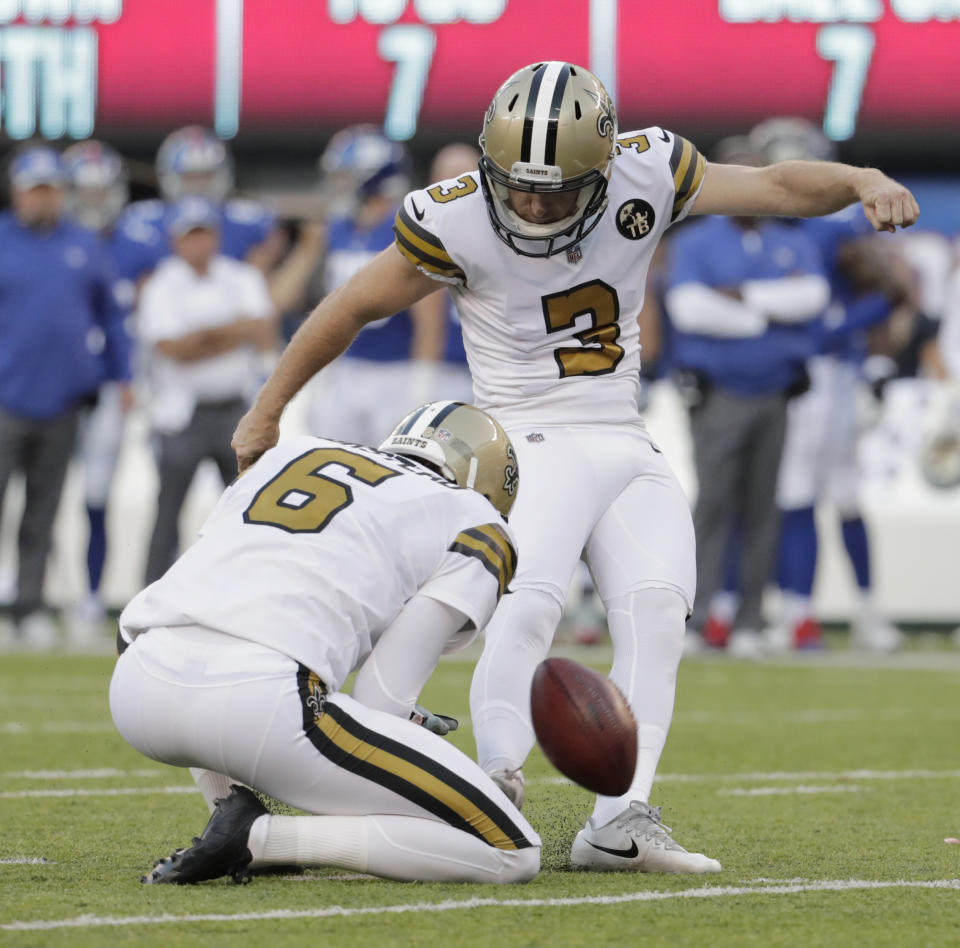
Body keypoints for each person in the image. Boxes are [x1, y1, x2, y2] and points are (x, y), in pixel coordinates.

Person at [231, 61, 919, 873]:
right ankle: (491, 785)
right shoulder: (453, 219)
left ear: (601, 172)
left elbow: (776, 185)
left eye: (554, 193)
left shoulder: (646, 169)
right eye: (517, 186)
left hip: (622, 432)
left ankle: (621, 821)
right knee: (527, 609)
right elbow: (351, 307)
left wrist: (862, 176)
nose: (529, 204)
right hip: (524, 435)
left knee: (660, 614)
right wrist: (268, 407)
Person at [110, 400, 539, 885]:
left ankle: (227, 803)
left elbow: (162, 606)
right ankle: (262, 839)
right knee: (514, 852)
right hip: (263, 707)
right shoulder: (477, 520)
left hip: (137, 686)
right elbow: (380, 700)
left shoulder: (292, 452)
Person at [663, 135, 830, 657]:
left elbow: (814, 297)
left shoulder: (789, 237)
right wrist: (768, 317)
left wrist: (745, 299)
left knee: (764, 509)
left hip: (776, 392)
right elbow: (690, 309)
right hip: (718, 394)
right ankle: (696, 616)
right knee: (712, 506)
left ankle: (752, 622)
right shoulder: (697, 240)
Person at [749, 118, 909, 653]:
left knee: (826, 493)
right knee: (802, 493)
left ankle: (837, 611)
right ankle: (803, 613)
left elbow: (889, 292)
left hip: (828, 375)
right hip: (787, 373)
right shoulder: (755, 226)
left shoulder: (835, 229)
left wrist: (839, 328)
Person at [0, 145, 131, 649]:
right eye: (36, 190)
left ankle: (28, 606)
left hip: (64, 401)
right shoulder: (4, 241)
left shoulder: (84, 244)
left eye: (51, 190)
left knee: (42, 511)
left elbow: (111, 318)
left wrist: (121, 377)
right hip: (6, 399)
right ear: (18, 193)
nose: (43, 199)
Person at [138, 196, 277, 584]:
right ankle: (152, 593)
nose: (198, 244)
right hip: (183, 411)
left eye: (204, 234)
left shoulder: (240, 275)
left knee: (247, 505)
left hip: (236, 409)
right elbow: (173, 349)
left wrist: (201, 337)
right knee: (168, 509)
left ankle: (248, 589)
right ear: (176, 240)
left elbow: (263, 331)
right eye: (190, 236)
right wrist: (234, 330)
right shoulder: (162, 283)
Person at [305, 125, 446, 445]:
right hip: (345, 366)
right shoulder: (339, 227)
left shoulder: (407, 226)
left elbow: (429, 315)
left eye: (345, 174)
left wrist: (421, 383)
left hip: (395, 370)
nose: (338, 183)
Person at [61, 139, 140, 644]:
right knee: (38, 495)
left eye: (98, 191)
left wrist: (129, 375)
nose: (91, 201)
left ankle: (91, 594)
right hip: (55, 385)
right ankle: (26, 590)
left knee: (95, 495)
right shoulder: (39, 241)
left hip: (116, 383)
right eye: (82, 192)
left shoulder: (138, 241)